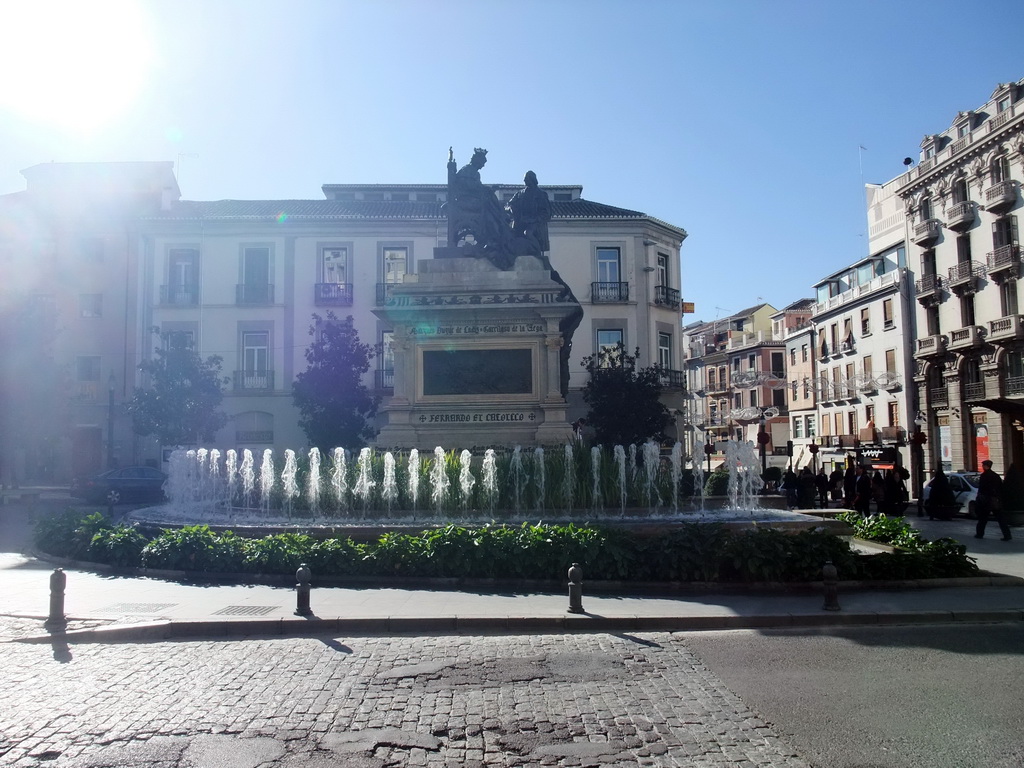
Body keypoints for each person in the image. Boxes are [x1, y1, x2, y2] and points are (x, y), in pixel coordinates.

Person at [507, 170, 551, 253]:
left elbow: (546, 213)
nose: (524, 181)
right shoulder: (520, 194)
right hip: (520, 222)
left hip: (535, 223)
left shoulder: (541, 194)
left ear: (532, 180)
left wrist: (534, 220)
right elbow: (509, 204)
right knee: (511, 236)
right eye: (524, 179)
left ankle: (537, 252)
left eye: (526, 179)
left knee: (528, 233)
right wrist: (510, 208)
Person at [975, 460, 1011, 541]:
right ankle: (1007, 535)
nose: (982, 466)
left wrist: (980, 497)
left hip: (986, 500)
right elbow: (1001, 488)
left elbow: (981, 489)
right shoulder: (996, 476)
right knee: (1001, 519)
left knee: (983, 519)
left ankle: (979, 534)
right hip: (995, 500)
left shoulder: (984, 476)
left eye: (983, 465)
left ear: (986, 466)